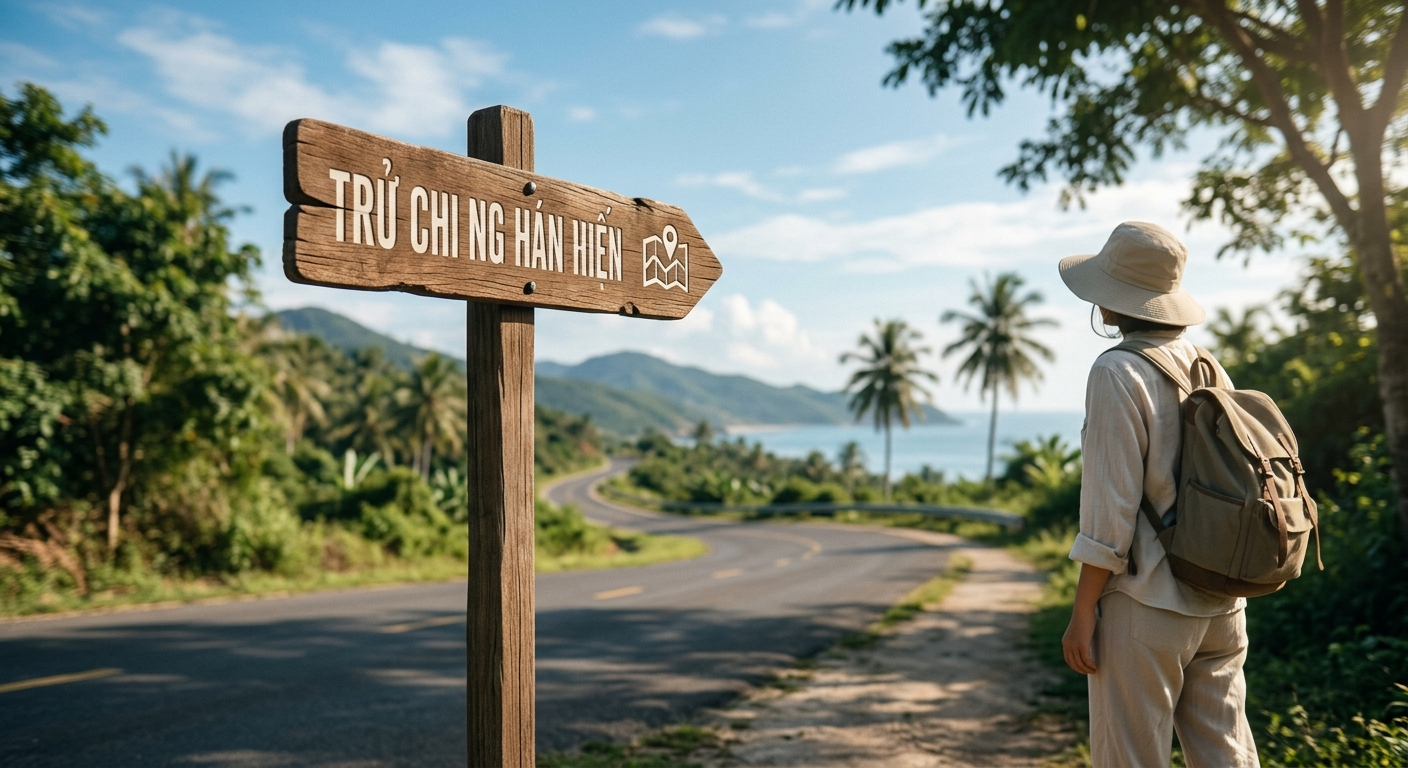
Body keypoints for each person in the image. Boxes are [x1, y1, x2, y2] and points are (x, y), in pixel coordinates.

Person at [1057, 222, 1259, 767]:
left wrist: (1083, 612)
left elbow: (1110, 512)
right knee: (1227, 754)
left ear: (1113, 299)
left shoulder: (1117, 371)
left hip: (1148, 602)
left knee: (1133, 757)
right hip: (1220, 598)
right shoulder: (1207, 364)